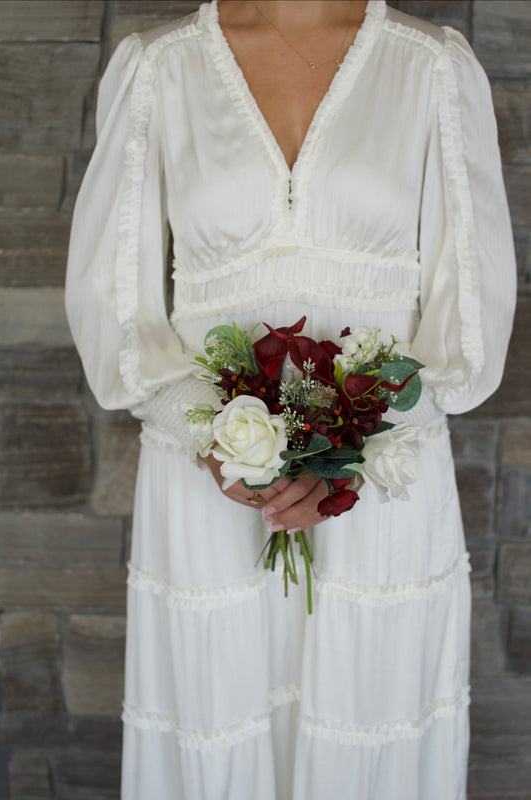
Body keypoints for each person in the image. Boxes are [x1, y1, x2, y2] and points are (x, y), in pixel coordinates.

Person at [65, 1, 516, 798]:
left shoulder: (432, 67)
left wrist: (344, 449)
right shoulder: (155, 67)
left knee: (367, 721)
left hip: (381, 487)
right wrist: (210, 433)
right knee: (218, 720)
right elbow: (115, 303)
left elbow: (466, 320)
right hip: (211, 490)